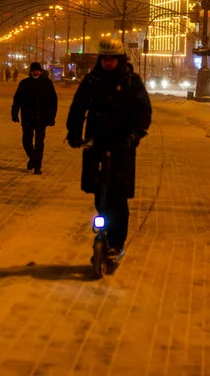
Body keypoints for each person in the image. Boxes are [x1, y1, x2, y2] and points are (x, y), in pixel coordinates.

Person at [66, 38, 151, 258]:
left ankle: (116, 241)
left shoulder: (131, 81)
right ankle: (104, 226)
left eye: (112, 59)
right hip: (96, 141)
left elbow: (143, 109)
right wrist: (74, 134)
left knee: (118, 195)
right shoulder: (92, 80)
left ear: (120, 59)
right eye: (105, 58)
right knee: (98, 189)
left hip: (122, 144)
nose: (108, 63)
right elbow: (78, 107)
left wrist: (136, 133)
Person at [11, 61, 57, 174]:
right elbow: (17, 99)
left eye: (37, 70)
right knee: (26, 140)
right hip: (28, 117)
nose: (36, 72)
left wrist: (52, 116)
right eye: (34, 70)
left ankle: (37, 166)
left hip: (42, 118)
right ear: (30, 71)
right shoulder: (24, 83)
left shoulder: (47, 83)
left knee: (39, 143)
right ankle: (33, 158)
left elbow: (53, 101)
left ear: (40, 71)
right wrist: (14, 113)